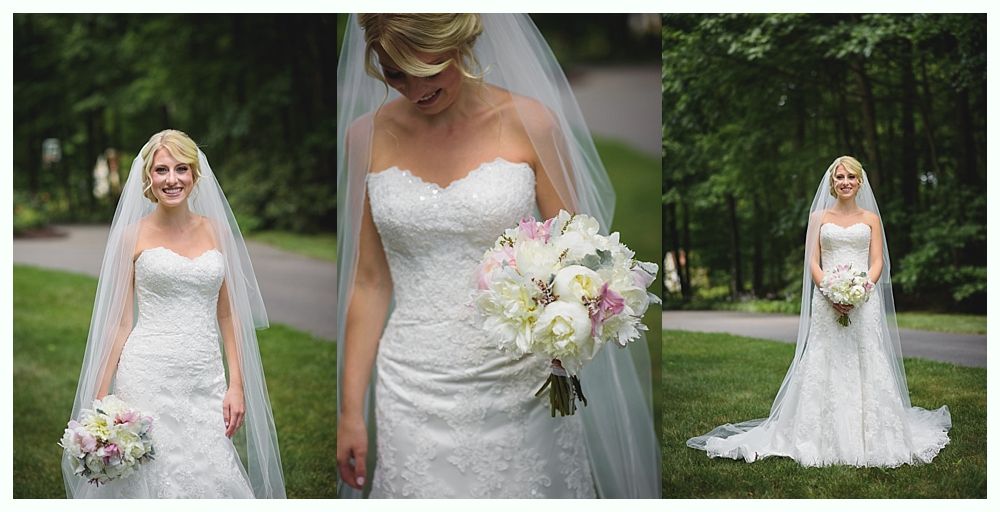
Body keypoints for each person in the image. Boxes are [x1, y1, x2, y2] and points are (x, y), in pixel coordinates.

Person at [336, 14, 660, 498]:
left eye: (428, 70)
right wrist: (349, 412)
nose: (414, 90)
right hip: (413, 380)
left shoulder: (531, 123)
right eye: (395, 74)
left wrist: (568, 321)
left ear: (459, 45)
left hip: (518, 378)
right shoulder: (366, 136)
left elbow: (577, 254)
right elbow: (369, 282)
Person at [687, 156, 952, 467]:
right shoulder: (818, 217)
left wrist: (861, 290)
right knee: (824, 356)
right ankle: (815, 435)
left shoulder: (871, 219)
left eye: (851, 177)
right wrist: (830, 289)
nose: (845, 182)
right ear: (832, 183)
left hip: (864, 299)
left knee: (868, 355)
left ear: (860, 182)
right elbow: (812, 262)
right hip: (826, 297)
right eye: (839, 177)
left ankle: (875, 434)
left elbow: (878, 261)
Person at [63, 130, 285, 498]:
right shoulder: (130, 236)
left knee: (211, 466)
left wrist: (236, 384)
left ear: (196, 175)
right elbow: (119, 324)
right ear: (148, 177)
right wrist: (101, 398)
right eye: (162, 170)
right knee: (150, 470)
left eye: (181, 169)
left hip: (205, 375)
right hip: (147, 373)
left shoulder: (216, 231)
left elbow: (228, 316)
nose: (172, 179)